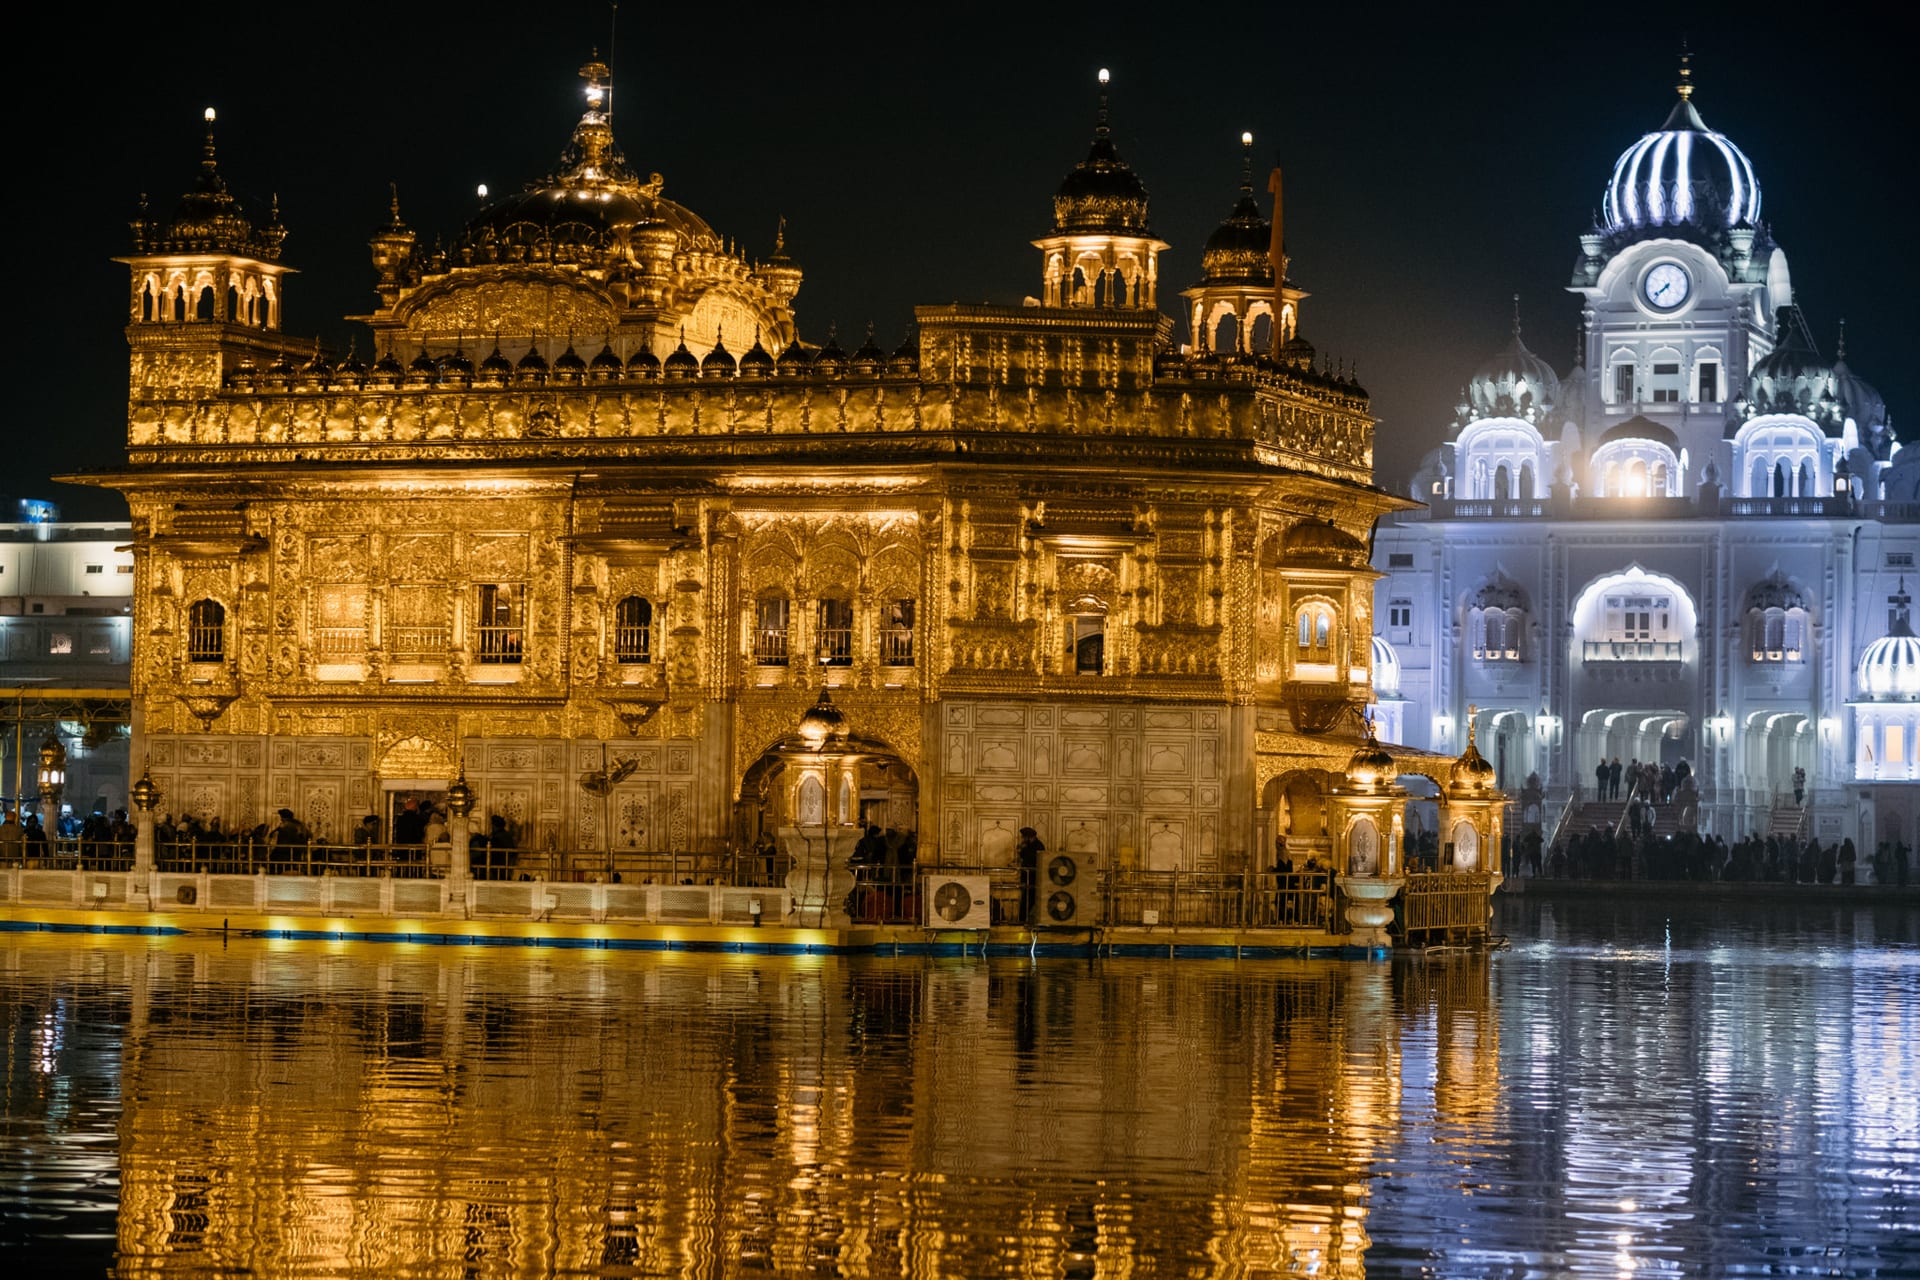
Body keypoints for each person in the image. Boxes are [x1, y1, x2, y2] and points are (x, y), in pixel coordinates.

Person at [1015, 827, 1044, 925]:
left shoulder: (1038, 846)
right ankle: (1022, 921)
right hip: (1027, 878)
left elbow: (1033, 861)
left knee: (1029, 901)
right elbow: (1023, 856)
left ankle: (1023, 921)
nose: (1022, 839)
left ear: (1028, 837)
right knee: (1026, 900)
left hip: (1033, 879)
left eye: (1024, 837)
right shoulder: (1028, 845)